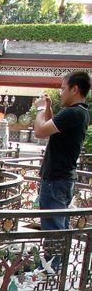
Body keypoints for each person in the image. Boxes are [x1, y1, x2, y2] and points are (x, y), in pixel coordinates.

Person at [33, 71, 90, 231]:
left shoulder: (73, 112)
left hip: (56, 180)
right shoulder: (81, 112)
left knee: (54, 232)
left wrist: (41, 108)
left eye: (63, 88)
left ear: (75, 89)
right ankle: (58, 256)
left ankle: (55, 257)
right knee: (59, 228)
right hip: (63, 179)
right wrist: (48, 108)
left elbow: (40, 131)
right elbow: (51, 126)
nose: (60, 92)